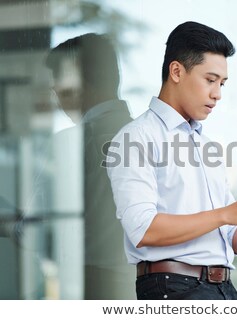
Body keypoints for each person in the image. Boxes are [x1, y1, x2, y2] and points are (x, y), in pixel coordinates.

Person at [106, 21, 237, 300]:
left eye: (221, 83)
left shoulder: (205, 145)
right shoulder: (136, 138)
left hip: (221, 287)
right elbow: (142, 229)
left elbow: (233, 240)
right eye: (210, 80)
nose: (217, 94)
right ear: (176, 71)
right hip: (172, 288)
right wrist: (225, 214)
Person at [45, 33, 135, 299]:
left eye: (57, 83)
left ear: (78, 82)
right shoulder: (154, 138)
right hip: (144, 283)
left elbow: (37, 227)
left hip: (88, 283)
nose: (55, 94)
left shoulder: (71, 143)